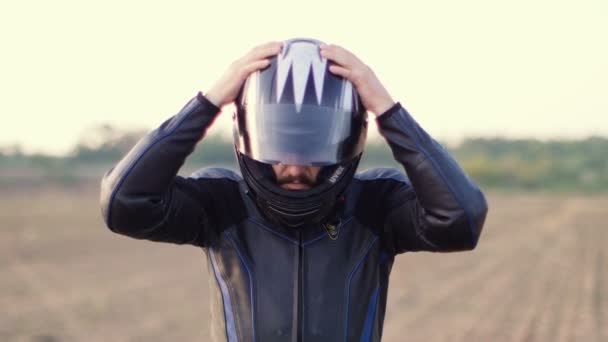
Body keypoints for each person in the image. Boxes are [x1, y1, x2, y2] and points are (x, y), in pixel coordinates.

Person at [100, 38, 488, 342]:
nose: (297, 167)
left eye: (313, 148)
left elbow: (460, 217)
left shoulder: (375, 206)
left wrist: (386, 107)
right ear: (249, 131)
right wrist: (210, 100)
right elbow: (124, 202)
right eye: (282, 145)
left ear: (350, 136)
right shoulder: (221, 204)